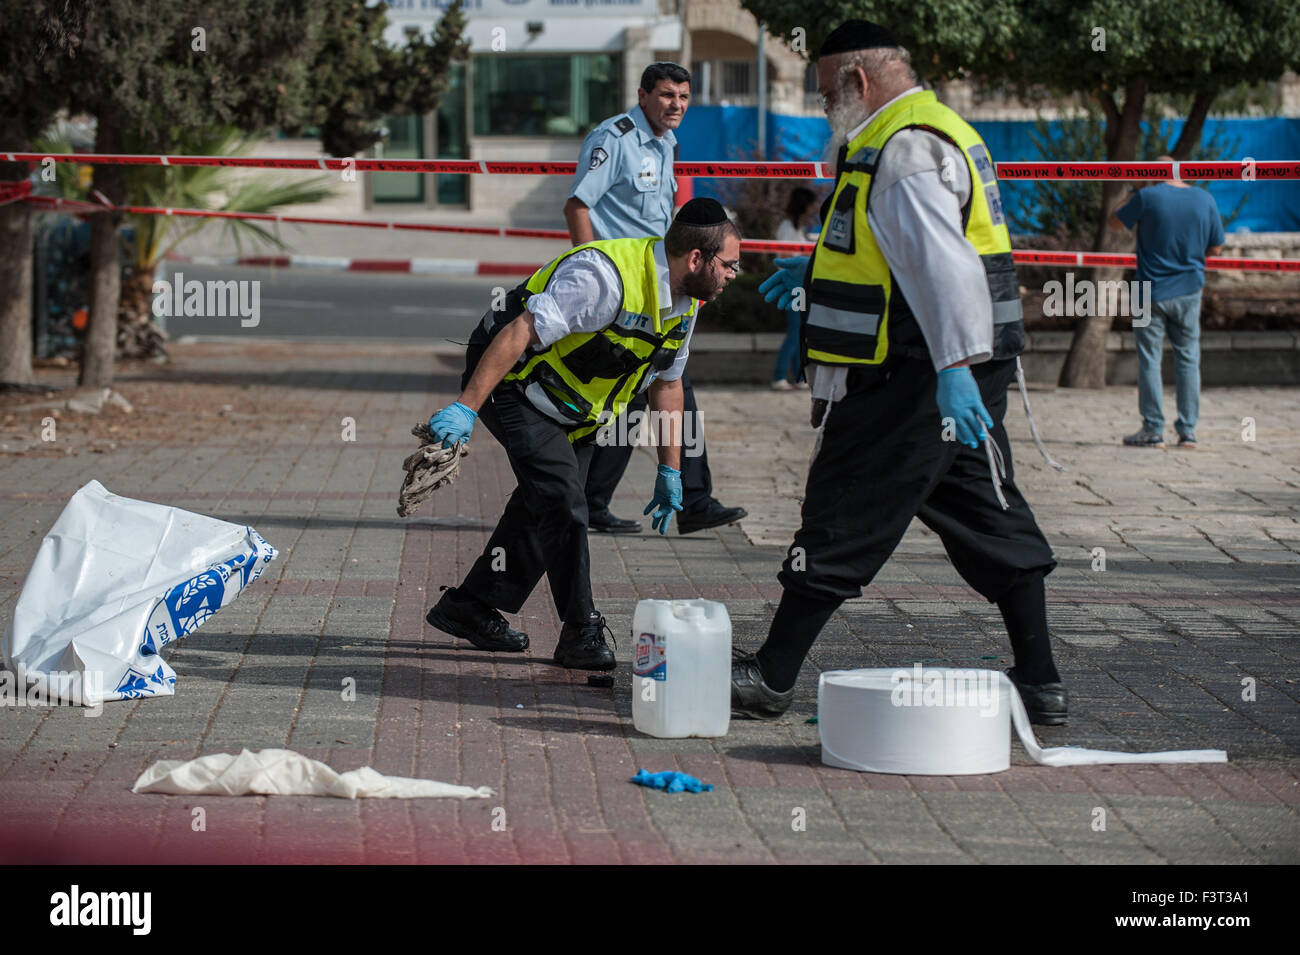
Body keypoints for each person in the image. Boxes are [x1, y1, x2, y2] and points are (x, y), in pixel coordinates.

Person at [733, 19, 1068, 726]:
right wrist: (812, 270)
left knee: (846, 503)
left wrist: (950, 368)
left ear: (858, 80)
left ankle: (771, 673)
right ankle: (1039, 678)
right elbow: (893, 247)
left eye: (827, 94)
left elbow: (945, 268)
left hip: (913, 372)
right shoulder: (927, 130)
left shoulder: (905, 147)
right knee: (986, 508)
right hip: (951, 370)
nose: (825, 108)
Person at [424, 199, 742, 670]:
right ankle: (580, 631)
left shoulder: (685, 303)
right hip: (514, 381)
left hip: (578, 408)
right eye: (729, 264)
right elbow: (519, 331)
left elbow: (668, 382)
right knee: (565, 503)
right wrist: (465, 408)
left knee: (545, 500)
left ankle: (470, 606)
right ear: (696, 258)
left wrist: (670, 469)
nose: (735, 274)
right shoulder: (603, 277)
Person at [563, 61, 748, 536]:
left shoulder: (665, 143)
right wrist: (591, 271)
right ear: (643, 94)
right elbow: (578, 205)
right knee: (660, 389)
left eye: (684, 97)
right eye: (667, 95)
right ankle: (685, 500)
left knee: (645, 395)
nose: (677, 105)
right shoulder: (615, 139)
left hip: (662, 286)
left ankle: (597, 501)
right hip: (622, 288)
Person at [1109, 157, 1225, 449]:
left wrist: (1134, 189)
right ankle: (1188, 431)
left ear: (1152, 174)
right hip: (1189, 290)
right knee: (1188, 359)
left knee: (1150, 359)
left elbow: (1113, 222)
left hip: (1149, 290)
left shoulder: (1146, 196)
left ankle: (1153, 429)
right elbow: (1217, 248)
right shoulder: (1204, 198)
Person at [772, 186, 819, 390]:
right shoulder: (787, 227)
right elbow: (783, 257)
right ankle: (780, 376)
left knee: (800, 331)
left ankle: (798, 376)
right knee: (795, 331)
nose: (813, 209)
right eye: (810, 205)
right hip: (793, 285)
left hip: (800, 284)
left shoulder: (796, 227)